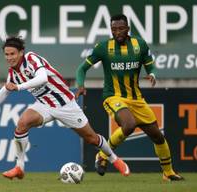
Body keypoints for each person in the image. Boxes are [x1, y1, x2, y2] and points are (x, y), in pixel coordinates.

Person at [0, 36, 130, 180]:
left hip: (65, 104)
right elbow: (5, 90)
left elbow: (42, 78)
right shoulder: (13, 73)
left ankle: (114, 159)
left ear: (21, 52)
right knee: (22, 123)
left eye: (12, 54)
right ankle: (19, 167)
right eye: (6, 54)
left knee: (92, 138)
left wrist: (19, 87)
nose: (9, 57)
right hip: (44, 104)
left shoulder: (31, 58)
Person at [75, 14, 184, 181]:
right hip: (113, 96)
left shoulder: (139, 45)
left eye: (120, 29)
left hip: (136, 99)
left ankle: (168, 173)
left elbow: (150, 65)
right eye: (113, 29)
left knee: (158, 136)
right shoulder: (103, 48)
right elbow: (81, 69)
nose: (117, 32)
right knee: (129, 124)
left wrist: (153, 74)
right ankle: (103, 155)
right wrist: (81, 85)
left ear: (128, 29)